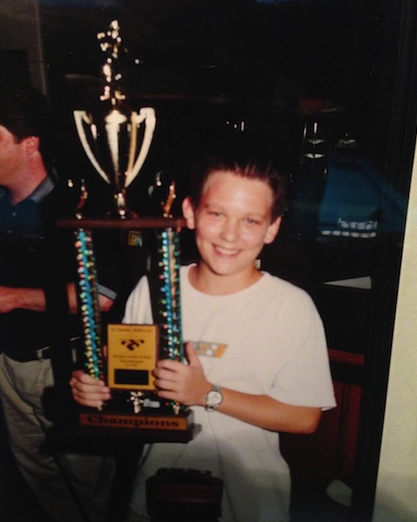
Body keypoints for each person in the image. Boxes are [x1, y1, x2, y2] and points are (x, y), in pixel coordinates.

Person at [71, 150, 336, 522]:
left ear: (272, 228)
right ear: (191, 212)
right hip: (152, 497)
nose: (230, 234)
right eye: (217, 214)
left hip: (250, 503)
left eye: (250, 220)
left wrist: (207, 394)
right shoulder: (152, 290)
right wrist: (97, 390)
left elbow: (304, 417)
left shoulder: (291, 307)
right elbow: (129, 384)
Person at [0, 83, 118, 522]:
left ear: (29, 143)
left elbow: (103, 297)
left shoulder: (76, 207)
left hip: (62, 368)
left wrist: (15, 298)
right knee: (40, 476)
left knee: (89, 482)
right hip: (6, 366)